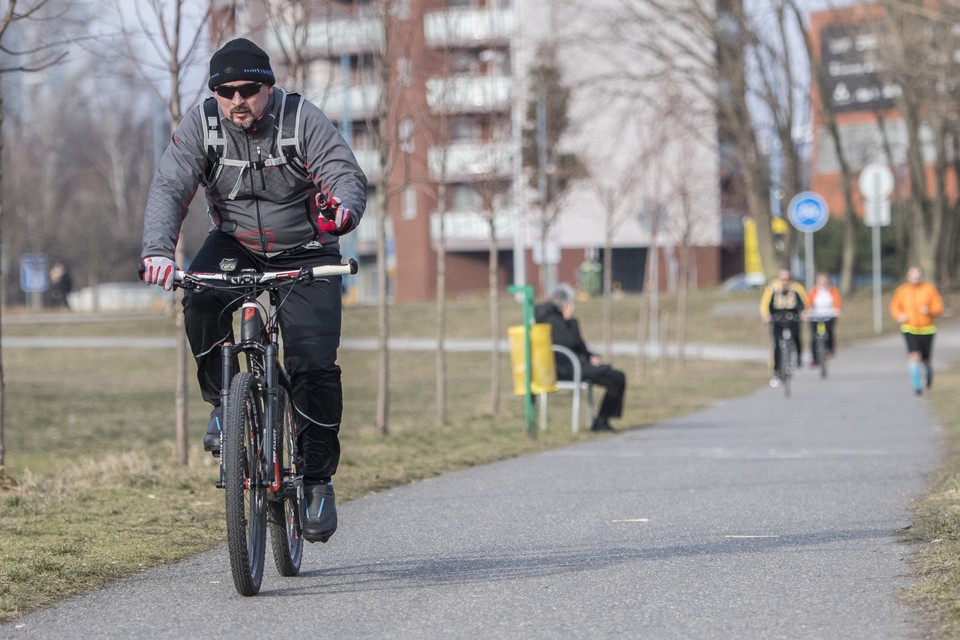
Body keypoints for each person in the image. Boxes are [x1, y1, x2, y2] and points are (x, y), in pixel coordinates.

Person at [140, 38, 367, 544]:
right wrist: (157, 252)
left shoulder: (299, 118)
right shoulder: (203, 125)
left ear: (268, 87)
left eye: (248, 89)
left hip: (307, 246)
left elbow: (343, 173)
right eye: (226, 91)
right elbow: (169, 187)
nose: (237, 99)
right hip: (236, 242)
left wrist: (343, 210)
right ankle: (224, 403)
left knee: (313, 364)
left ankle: (317, 481)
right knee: (200, 297)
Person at [534, 283, 627, 432]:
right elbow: (569, 342)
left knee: (616, 377)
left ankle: (602, 420)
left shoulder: (566, 321)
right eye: (570, 303)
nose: (572, 307)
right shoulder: (552, 320)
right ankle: (601, 421)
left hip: (576, 364)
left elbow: (579, 345)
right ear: (563, 304)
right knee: (615, 378)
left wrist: (590, 356)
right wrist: (569, 322)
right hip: (564, 367)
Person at [889, 265, 944, 397]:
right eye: (913, 274)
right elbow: (895, 306)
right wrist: (899, 316)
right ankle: (917, 386)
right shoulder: (902, 290)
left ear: (921, 275)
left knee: (925, 360)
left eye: (918, 274)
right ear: (908, 276)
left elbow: (939, 307)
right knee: (914, 355)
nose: (915, 277)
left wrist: (929, 310)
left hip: (927, 329)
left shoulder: (929, 289)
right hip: (909, 328)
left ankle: (928, 372)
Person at [759, 268, 806, 387]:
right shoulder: (772, 288)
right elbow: (765, 304)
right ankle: (777, 372)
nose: (785, 282)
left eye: (787, 279)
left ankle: (798, 358)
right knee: (777, 344)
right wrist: (765, 315)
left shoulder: (797, 288)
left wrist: (804, 313)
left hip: (793, 317)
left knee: (796, 337)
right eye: (783, 279)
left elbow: (805, 302)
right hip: (777, 318)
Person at [805, 272, 841, 366]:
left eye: (824, 280)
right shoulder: (813, 291)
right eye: (821, 281)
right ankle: (814, 358)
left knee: (829, 332)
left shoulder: (832, 290)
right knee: (814, 336)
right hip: (815, 316)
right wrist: (807, 313)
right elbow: (808, 303)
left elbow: (836, 302)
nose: (823, 283)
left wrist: (836, 311)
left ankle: (830, 348)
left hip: (829, 315)